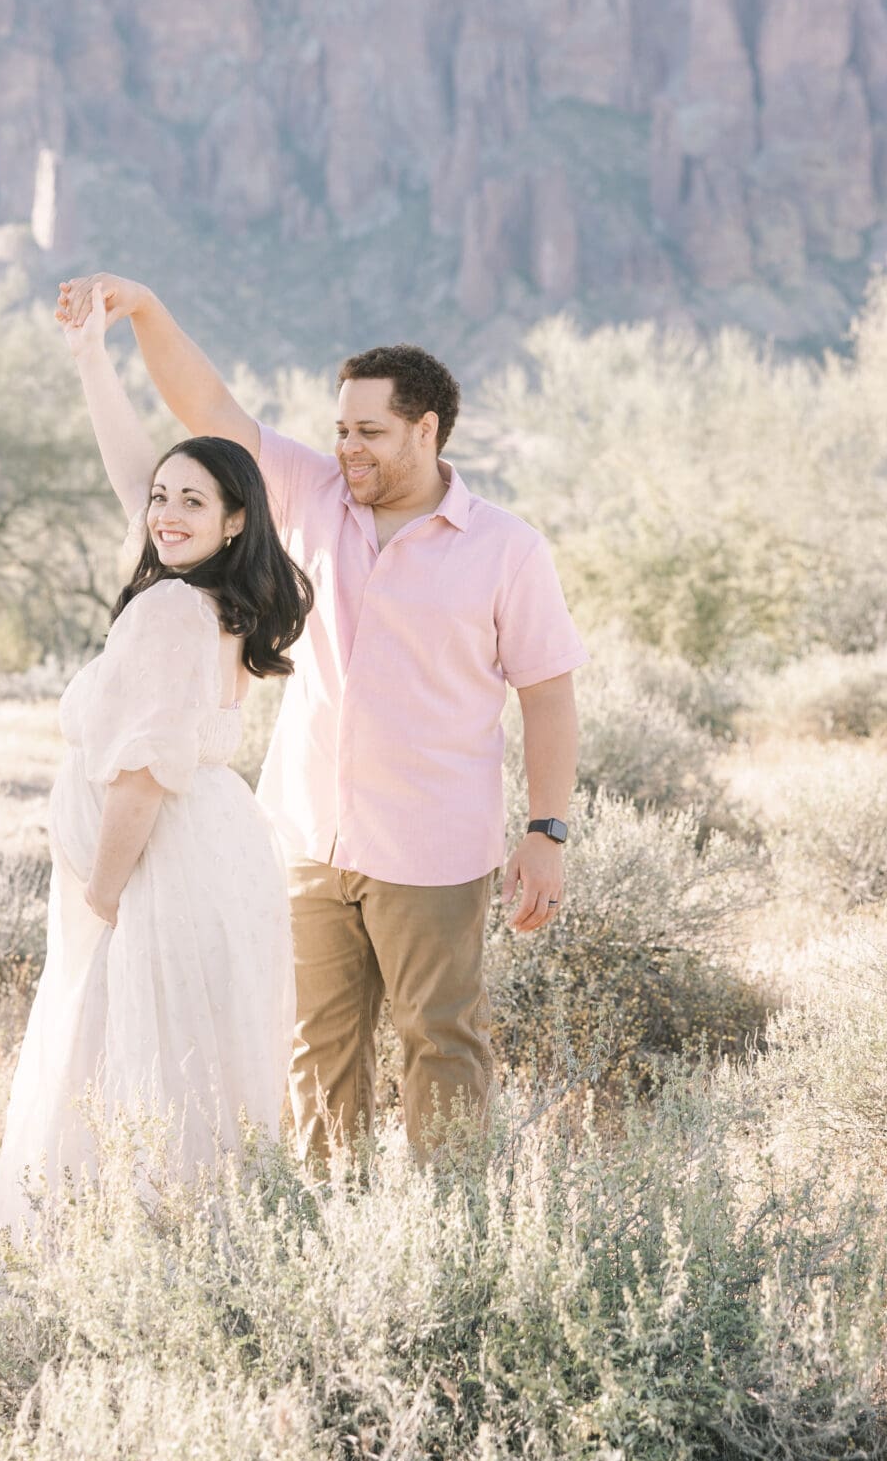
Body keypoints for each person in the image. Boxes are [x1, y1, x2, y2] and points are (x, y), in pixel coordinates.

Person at [56, 273, 585, 1159]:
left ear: (425, 429)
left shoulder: (507, 549)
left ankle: (452, 1218)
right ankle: (328, 1212)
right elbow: (206, 409)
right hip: (304, 836)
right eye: (340, 430)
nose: (347, 449)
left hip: (432, 844)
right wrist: (144, 308)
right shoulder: (312, 495)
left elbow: (547, 693)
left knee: (441, 1040)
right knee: (313, 1045)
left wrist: (546, 830)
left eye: (368, 432)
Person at [0, 292, 314, 1241]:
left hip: (158, 865)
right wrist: (91, 358)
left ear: (235, 520)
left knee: (123, 1056)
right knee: (190, 1061)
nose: (162, 512)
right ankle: (203, 1249)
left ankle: (112, 1254)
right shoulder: (212, 598)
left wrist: (101, 892)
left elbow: (140, 775)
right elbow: (136, 474)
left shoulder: (167, 611)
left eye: (190, 502)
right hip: (214, 855)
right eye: (161, 497)